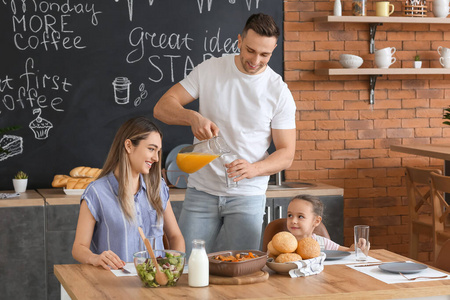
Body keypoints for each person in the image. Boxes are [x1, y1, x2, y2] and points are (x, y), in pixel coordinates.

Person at [153, 13, 296, 255]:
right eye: (250, 50)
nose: (256, 60)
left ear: (273, 50)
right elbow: (162, 107)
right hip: (201, 191)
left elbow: (286, 153)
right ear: (239, 41)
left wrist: (255, 169)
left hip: (247, 196)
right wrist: (192, 117)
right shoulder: (210, 70)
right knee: (186, 267)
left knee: (239, 272)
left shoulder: (278, 91)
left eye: (265, 54)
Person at [72, 116, 185, 270]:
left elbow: (175, 236)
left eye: (158, 151)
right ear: (129, 146)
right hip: (115, 284)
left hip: (154, 283)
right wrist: (95, 258)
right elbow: (79, 248)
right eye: (151, 149)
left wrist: (174, 266)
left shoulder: (158, 188)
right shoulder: (96, 192)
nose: (156, 158)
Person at [287, 194, 369, 252]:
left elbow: (348, 251)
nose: (293, 221)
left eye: (300, 216)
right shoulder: (282, 244)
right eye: (290, 215)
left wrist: (359, 247)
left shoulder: (323, 243)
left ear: (316, 221)